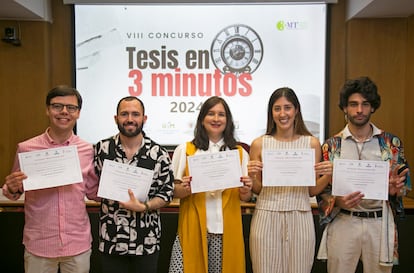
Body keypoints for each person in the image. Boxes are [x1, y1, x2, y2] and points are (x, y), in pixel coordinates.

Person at [316, 76, 411, 273]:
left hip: (379, 222)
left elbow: (405, 186)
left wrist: (395, 190)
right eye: (353, 104)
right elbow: (321, 190)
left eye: (365, 104)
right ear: (344, 108)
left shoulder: (391, 144)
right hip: (344, 221)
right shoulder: (331, 146)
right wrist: (338, 202)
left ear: (373, 107)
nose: (359, 110)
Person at [2, 86, 97, 273]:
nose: (64, 112)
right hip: (39, 245)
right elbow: (14, 191)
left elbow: (93, 191)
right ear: (47, 110)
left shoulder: (88, 150)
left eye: (71, 108)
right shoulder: (26, 149)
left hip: (77, 243)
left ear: (78, 113)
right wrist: (12, 188)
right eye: (57, 106)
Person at [247, 87, 331, 273]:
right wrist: (252, 176)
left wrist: (329, 175)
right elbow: (258, 189)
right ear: (271, 112)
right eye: (277, 108)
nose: (282, 113)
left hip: (300, 214)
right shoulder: (259, 144)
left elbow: (311, 190)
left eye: (287, 107)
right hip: (266, 215)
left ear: (296, 110)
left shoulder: (311, 143)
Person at [168, 96, 253, 273]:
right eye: (210, 114)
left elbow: (244, 197)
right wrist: (184, 189)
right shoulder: (185, 150)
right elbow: (174, 191)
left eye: (221, 114)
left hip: (225, 231)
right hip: (192, 229)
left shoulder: (239, 153)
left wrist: (246, 189)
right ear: (201, 119)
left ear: (228, 120)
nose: (216, 119)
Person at [90, 96, 174, 273]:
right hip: (111, 239)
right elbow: (92, 185)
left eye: (135, 114)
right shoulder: (101, 150)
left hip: (146, 241)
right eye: (124, 114)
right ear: (116, 119)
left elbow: (166, 194)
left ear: (144, 119)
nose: (130, 119)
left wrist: (144, 206)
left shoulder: (159, 153)